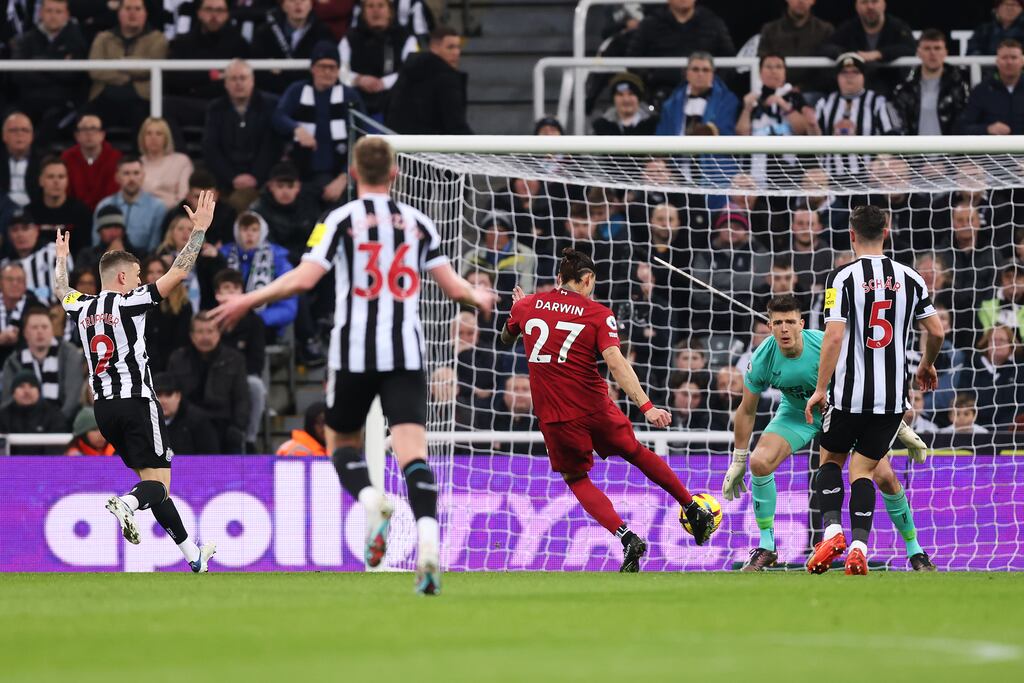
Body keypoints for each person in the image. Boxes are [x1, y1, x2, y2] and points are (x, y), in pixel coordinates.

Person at [211, 136, 498, 596]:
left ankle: (371, 502)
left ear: (355, 173)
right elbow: (453, 286)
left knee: (341, 442)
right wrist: (477, 295)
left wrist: (249, 297)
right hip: (406, 351)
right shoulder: (420, 223)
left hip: (354, 354)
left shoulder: (338, 219)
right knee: (413, 454)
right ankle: (427, 541)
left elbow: (304, 280)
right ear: (395, 173)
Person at [499, 247, 716, 573]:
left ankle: (627, 536)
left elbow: (505, 338)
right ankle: (692, 506)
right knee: (637, 452)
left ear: (558, 278)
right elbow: (615, 360)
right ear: (586, 280)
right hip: (595, 405)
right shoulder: (599, 313)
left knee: (577, 478)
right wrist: (647, 406)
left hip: (557, 416)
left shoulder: (528, 305)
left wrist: (517, 308)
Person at [54, 192, 219, 572]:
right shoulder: (128, 301)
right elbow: (178, 274)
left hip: (104, 408)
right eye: (139, 275)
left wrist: (62, 258)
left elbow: (61, 289)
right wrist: (199, 231)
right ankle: (125, 503)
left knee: (153, 482)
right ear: (124, 277)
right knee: (158, 485)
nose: (142, 280)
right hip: (138, 401)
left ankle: (193, 557)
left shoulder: (81, 306)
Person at [722, 295, 934, 572]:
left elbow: (865, 382)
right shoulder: (761, 358)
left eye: (789, 322)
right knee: (759, 462)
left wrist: (901, 427)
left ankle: (915, 549)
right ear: (769, 326)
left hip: (843, 411)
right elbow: (746, 410)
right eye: (777, 323)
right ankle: (766, 546)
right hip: (798, 413)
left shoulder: (824, 344)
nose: (784, 329)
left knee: (884, 476)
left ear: (801, 323)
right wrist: (739, 459)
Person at [804, 205, 945, 575]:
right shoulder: (911, 278)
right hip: (891, 401)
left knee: (830, 461)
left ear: (851, 234)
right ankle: (859, 547)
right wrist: (926, 365)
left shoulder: (841, 278)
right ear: (887, 231)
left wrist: (821, 388)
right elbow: (938, 331)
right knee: (864, 471)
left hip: (849, 396)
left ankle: (833, 531)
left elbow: (834, 336)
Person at [272, 42, 365, 204]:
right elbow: (278, 116)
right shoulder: (297, 90)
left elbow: (362, 138)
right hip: (301, 173)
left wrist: (344, 177)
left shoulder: (350, 96)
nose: (327, 72)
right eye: (322, 66)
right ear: (313, 68)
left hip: (337, 175)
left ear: (338, 70)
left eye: (332, 67)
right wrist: (297, 129)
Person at [167, 312, 252, 454]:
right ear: (192, 335)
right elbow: (171, 395)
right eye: (200, 332)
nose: (205, 337)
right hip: (187, 426)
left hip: (222, 423)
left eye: (210, 331)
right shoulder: (177, 359)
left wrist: (238, 427)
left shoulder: (235, 359)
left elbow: (242, 398)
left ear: (219, 333)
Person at [203, 60, 282, 211]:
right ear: (225, 83)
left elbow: (272, 146)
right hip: (225, 180)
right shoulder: (215, 108)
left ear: (252, 81)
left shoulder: (270, 105)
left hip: (263, 178)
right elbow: (211, 148)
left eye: (243, 78)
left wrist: (256, 177)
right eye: (233, 79)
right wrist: (232, 178)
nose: (238, 83)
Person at [9, 0, 88, 147]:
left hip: (64, 104)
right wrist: (56, 64)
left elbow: (74, 75)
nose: (53, 16)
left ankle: (34, 157)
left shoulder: (77, 40)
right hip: (30, 101)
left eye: (58, 12)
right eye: (49, 11)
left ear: (67, 15)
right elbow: (18, 74)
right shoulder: (28, 39)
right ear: (41, 13)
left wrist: (37, 64)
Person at [809, 52, 899, 178]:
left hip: (868, 178)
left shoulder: (878, 102)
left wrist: (880, 162)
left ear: (863, 76)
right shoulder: (824, 103)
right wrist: (812, 126)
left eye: (855, 72)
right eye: (844, 72)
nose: (849, 77)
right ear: (837, 77)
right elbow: (814, 142)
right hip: (831, 178)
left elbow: (894, 136)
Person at [626, 0, 735, 102]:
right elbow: (632, 60)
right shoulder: (649, 24)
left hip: (707, 95)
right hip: (660, 95)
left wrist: (712, 82)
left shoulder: (713, 22)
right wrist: (650, 81)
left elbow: (729, 59)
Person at [164, 0, 250, 128]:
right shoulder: (183, 42)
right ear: (199, 13)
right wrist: (210, 76)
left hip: (227, 105)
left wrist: (196, 78)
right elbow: (172, 78)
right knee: (164, 104)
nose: (214, 15)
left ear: (227, 14)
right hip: (192, 102)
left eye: (220, 10)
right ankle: (179, 149)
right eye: (209, 9)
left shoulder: (239, 44)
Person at [86, 0, 168, 132]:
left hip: (141, 97)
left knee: (142, 115)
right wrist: (127, 76)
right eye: (128, 8)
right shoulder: (103, 38)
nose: (132, 13)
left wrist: (118, 62)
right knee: (86, 118)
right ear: (119, 12)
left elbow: (149, 69)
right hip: (104, 96)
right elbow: (95, 70)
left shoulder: (158, 39)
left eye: (137, 9)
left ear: (145, 13)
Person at [0, 304, 85, 422]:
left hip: (62, 424)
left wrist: (57, 423)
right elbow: (7, 400)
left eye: (44, 327)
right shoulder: (14, 360)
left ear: (52, 330)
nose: (40, 332)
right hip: (22, 427)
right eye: (34, 327)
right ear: (25, 333)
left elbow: (73, 396)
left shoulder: (69, 354)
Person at [213, 268, 267, 450]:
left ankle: (250, 439)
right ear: (217, 294)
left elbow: (257, 361)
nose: (230, 293)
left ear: (242, 293)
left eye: (235, 289)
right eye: (226, 288)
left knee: (256, 386)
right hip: (213, 376)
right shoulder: (210, 320)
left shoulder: (255, 322)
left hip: (243, 377)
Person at [219, 212, 297, 338]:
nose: (249, 234)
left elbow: (288, 307)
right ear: (237, 232)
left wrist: (256, 320)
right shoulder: (222, 256)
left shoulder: (278, 259)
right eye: (244, 229)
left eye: (254, 230)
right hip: (226, 324)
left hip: (265, 327)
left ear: (263, 232)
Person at [385, 25, 472, 135]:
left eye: (458, 47)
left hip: (402, 144)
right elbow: (456, 125)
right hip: (433, 147)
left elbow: (387, 107)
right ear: (434, 48)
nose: (456, 53)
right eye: (450, 47)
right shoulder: (447, 79)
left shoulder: (408, 71)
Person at [340, 0, 419, 117]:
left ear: (390, 12)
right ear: (363, 12)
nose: (375, 10)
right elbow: (340, 70)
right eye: (370, 6)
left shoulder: (406, 38)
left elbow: (412, 70)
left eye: (381, 5)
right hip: (357, 102)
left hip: (396, 103)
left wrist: (383, 83)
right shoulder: (349, 38)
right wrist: (358, 79)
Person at [821, 0, 915, 93]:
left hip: (891, 90)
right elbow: (826, 48)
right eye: (864, 2)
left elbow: (909, 48)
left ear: (884, 5)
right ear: (857, 7)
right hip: (853, 89)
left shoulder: (897, 27)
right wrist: (851, 55)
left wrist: (879, 54)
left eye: (874, 1)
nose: (870, 6)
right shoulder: (849, 27)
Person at [891, 29, 971, 136]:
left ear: (945, 52)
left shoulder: (961, 87)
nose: (932, 53)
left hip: (950, 150)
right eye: (927, 48)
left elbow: (965, 125)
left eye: (937, 48)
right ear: (919, 52)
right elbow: (900, 127)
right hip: (914, 151)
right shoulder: (905, 89)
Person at [250, 0, 336, 94]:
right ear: (283, 6)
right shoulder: (264, 33)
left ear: (311, 4)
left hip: (311, 94)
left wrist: (280, 70)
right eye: (292, 0)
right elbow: (260, 73)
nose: (298, 3)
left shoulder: (323, 33)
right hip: (273, 94)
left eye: (303, 0)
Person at [655, 52, 739, 138]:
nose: (700, 74)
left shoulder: (727, 101)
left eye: (705, 70)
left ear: (712, 74)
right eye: (695, 69)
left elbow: (726, 134)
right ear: (687, 73)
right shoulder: (671, 104)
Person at [93, 156, 167, 253]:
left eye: (136, 173)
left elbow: (155, 247)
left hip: (144, 263)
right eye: (126, 173)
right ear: (117, 177)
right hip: (107, 261)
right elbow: (96, 243)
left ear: (143, 176)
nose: (131, 178)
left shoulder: (157, 207)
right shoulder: (104, 205)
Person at [758, 0, 835, 91]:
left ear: (813, 1)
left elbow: (829, 72)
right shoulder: (770, 30)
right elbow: (762, 63)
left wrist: (803, 88)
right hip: (777, 90)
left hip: (813, 91)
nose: (801, 1)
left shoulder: (825, 30)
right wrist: (781, 88)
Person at [5, 208, 75, 305]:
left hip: (56, 312)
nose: (20, 234)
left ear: (36, 230)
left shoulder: (55, 252)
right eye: (15, 230)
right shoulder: (5, 265)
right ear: (9, 234)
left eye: (25, 228)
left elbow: (71, 284)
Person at [957, 39, 1024, 135]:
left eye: (1014, 57)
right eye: (1004, 57)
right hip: (995, 149)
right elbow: (962, 128)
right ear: (997, 61)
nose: (1009, 62)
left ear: (1022, 61)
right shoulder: (982, 90)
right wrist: (988, 129)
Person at [29, 158, 93, 256]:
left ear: (67, 181)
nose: (56, 181)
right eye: (50, 177)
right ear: (41, 181)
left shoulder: (81, 212)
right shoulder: (29, 213)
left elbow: (85, 249)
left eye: (61, 177)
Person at [61, 115, 123, 213]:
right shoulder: (67, 157)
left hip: (106, 212)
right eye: (84, 129)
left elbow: (113, 192)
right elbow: (65, 191)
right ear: (77, 135)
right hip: (73, 212)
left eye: (93, 129)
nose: (89, 133)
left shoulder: (115, 157)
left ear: (102, 134)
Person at [141, 256, 192, 373]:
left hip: (173, 366)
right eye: (150, 272)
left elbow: (182, 340)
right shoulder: (135, 303)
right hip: (144, 366)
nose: (155, 276)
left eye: (159, 272)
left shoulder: (181, 304)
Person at [0, 369, 69, 453]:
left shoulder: (54, 416)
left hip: (45, 465)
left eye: (32, 386)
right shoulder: (3, 416)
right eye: (21, 386)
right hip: (9, 465)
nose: (27, 391)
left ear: (39, 392)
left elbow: (56, 452)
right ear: (13, 393)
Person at [153, 372, 220, 455]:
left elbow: (210, 459)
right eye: (158, 395)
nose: (163, 401)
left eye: (168, 394)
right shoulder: (143, 422)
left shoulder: (198, 421)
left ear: (178, 396)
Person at [138, 117, 194, 210]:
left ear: (166, 137)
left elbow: (184, 197)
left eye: (159, 134)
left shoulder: (182, 161)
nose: (153, 138)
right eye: (148, 133)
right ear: (142, 137)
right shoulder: (137, 164)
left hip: (172, 214)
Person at [591, 72, 658, 135]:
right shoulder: (600, 127)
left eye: (631, 94)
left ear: (639, 98)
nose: (626, 99)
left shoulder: (655, 125)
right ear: (613, 99)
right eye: (620, 94)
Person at [0, 262, 40, 363]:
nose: (15, 283)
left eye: (19, 280)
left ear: (26, 284)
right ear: (1, 282)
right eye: (9, 279)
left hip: (26, 363)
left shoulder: (36, 306)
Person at [1, 112, 40, 210]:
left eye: (25, 130)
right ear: (4, 136)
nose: (19, 134)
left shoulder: (44, 163)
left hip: (34, 214)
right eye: (13, 130)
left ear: (32, 136)